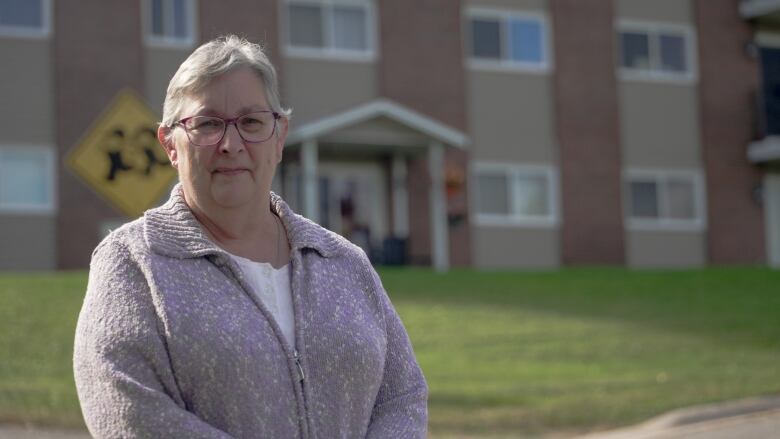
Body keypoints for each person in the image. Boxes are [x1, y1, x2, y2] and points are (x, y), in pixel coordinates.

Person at [73, 35, 428, 438]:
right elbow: (127, 409)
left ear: (279, 136)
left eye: (251, 122)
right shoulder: (133, 262)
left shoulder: (343, 261)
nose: (230, 144)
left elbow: (403, 394)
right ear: (169, 144)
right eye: (207, 124)